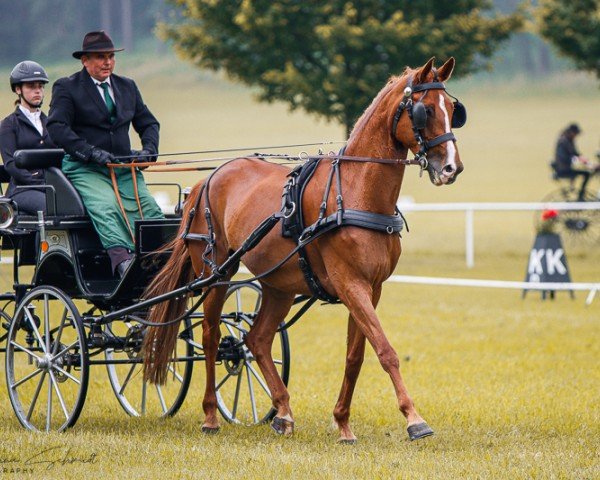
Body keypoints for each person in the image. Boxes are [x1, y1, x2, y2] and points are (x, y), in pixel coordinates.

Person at [47, 30, 163, 277]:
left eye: (110, 56)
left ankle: (160, 263)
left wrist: (149, 151)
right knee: (107, 207)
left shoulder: (127, 86)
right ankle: (123, 263)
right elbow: (57, 128)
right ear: (85, 60)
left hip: (122, 168)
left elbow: (148, 123)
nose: (107, 62)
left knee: (149, 210)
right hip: (85, 168)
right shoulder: (67, 87)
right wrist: (90, 152)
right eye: (100, 57)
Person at [0, 61, 56, 215]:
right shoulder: (8, 125)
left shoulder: (51, 123)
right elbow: (11, 164)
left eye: (40, 86)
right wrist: (39, 182)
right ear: (18, 89)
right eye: (31, 86)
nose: (37, 91)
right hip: (22, 189)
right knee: (52, 208)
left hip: (52, 186)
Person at [552, 123, 599, 201]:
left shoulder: (569, 141)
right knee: (586, 174)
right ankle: (581, 195)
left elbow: (576, 153)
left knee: (588, 172)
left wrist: (586, 161)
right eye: (575, 133)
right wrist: (577, 160)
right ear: (571, 132)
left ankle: (581, 195)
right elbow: (565, 157)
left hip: (567, 167)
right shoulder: (563, 142)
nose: (576, 136)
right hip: (564, 169)